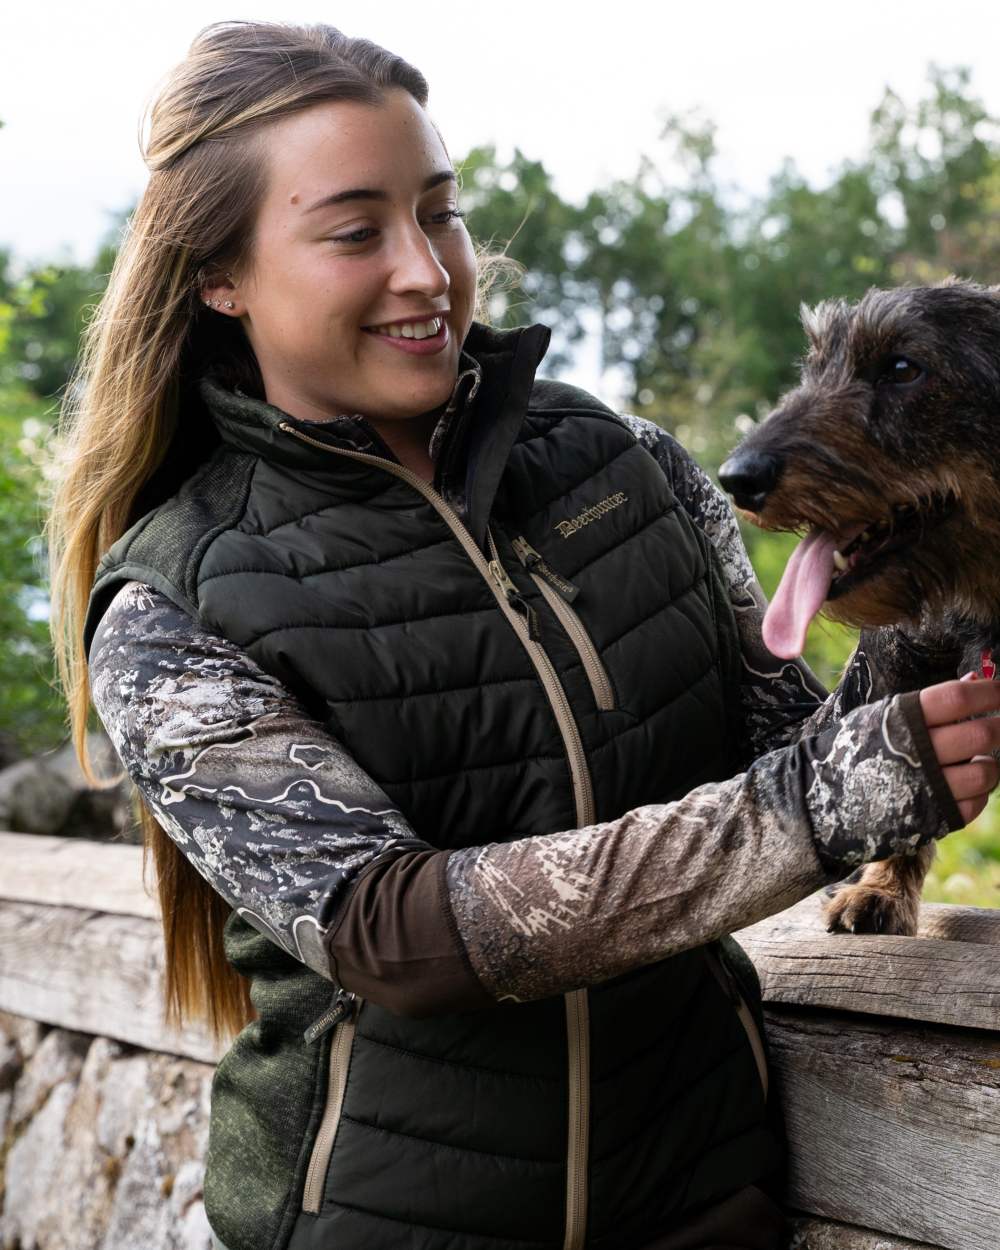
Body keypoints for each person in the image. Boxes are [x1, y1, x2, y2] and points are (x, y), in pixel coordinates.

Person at [46, 20, 1000, 1250]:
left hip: (712, 1196)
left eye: (436, 212)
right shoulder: (174, 603)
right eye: (354, 230)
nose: (426, 270)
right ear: (219, 274)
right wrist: (820, 804)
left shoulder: (629, 464)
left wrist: (923, 644)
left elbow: (783, 739)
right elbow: (399, 933)